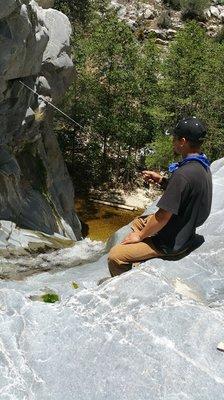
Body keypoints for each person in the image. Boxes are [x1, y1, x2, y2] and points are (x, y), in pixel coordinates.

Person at [108, 116, 213, 277]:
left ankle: (127, 283)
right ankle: (139, 256)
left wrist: (140, 236)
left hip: (171, 242)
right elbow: (187, 190)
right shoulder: (203, 165)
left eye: (175, 138)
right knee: (138, 221)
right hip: (186, 228)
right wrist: (162, 180)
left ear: (183, 141)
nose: (173, 141)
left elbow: (162, 216)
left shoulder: (183, 174)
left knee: (116, 256)